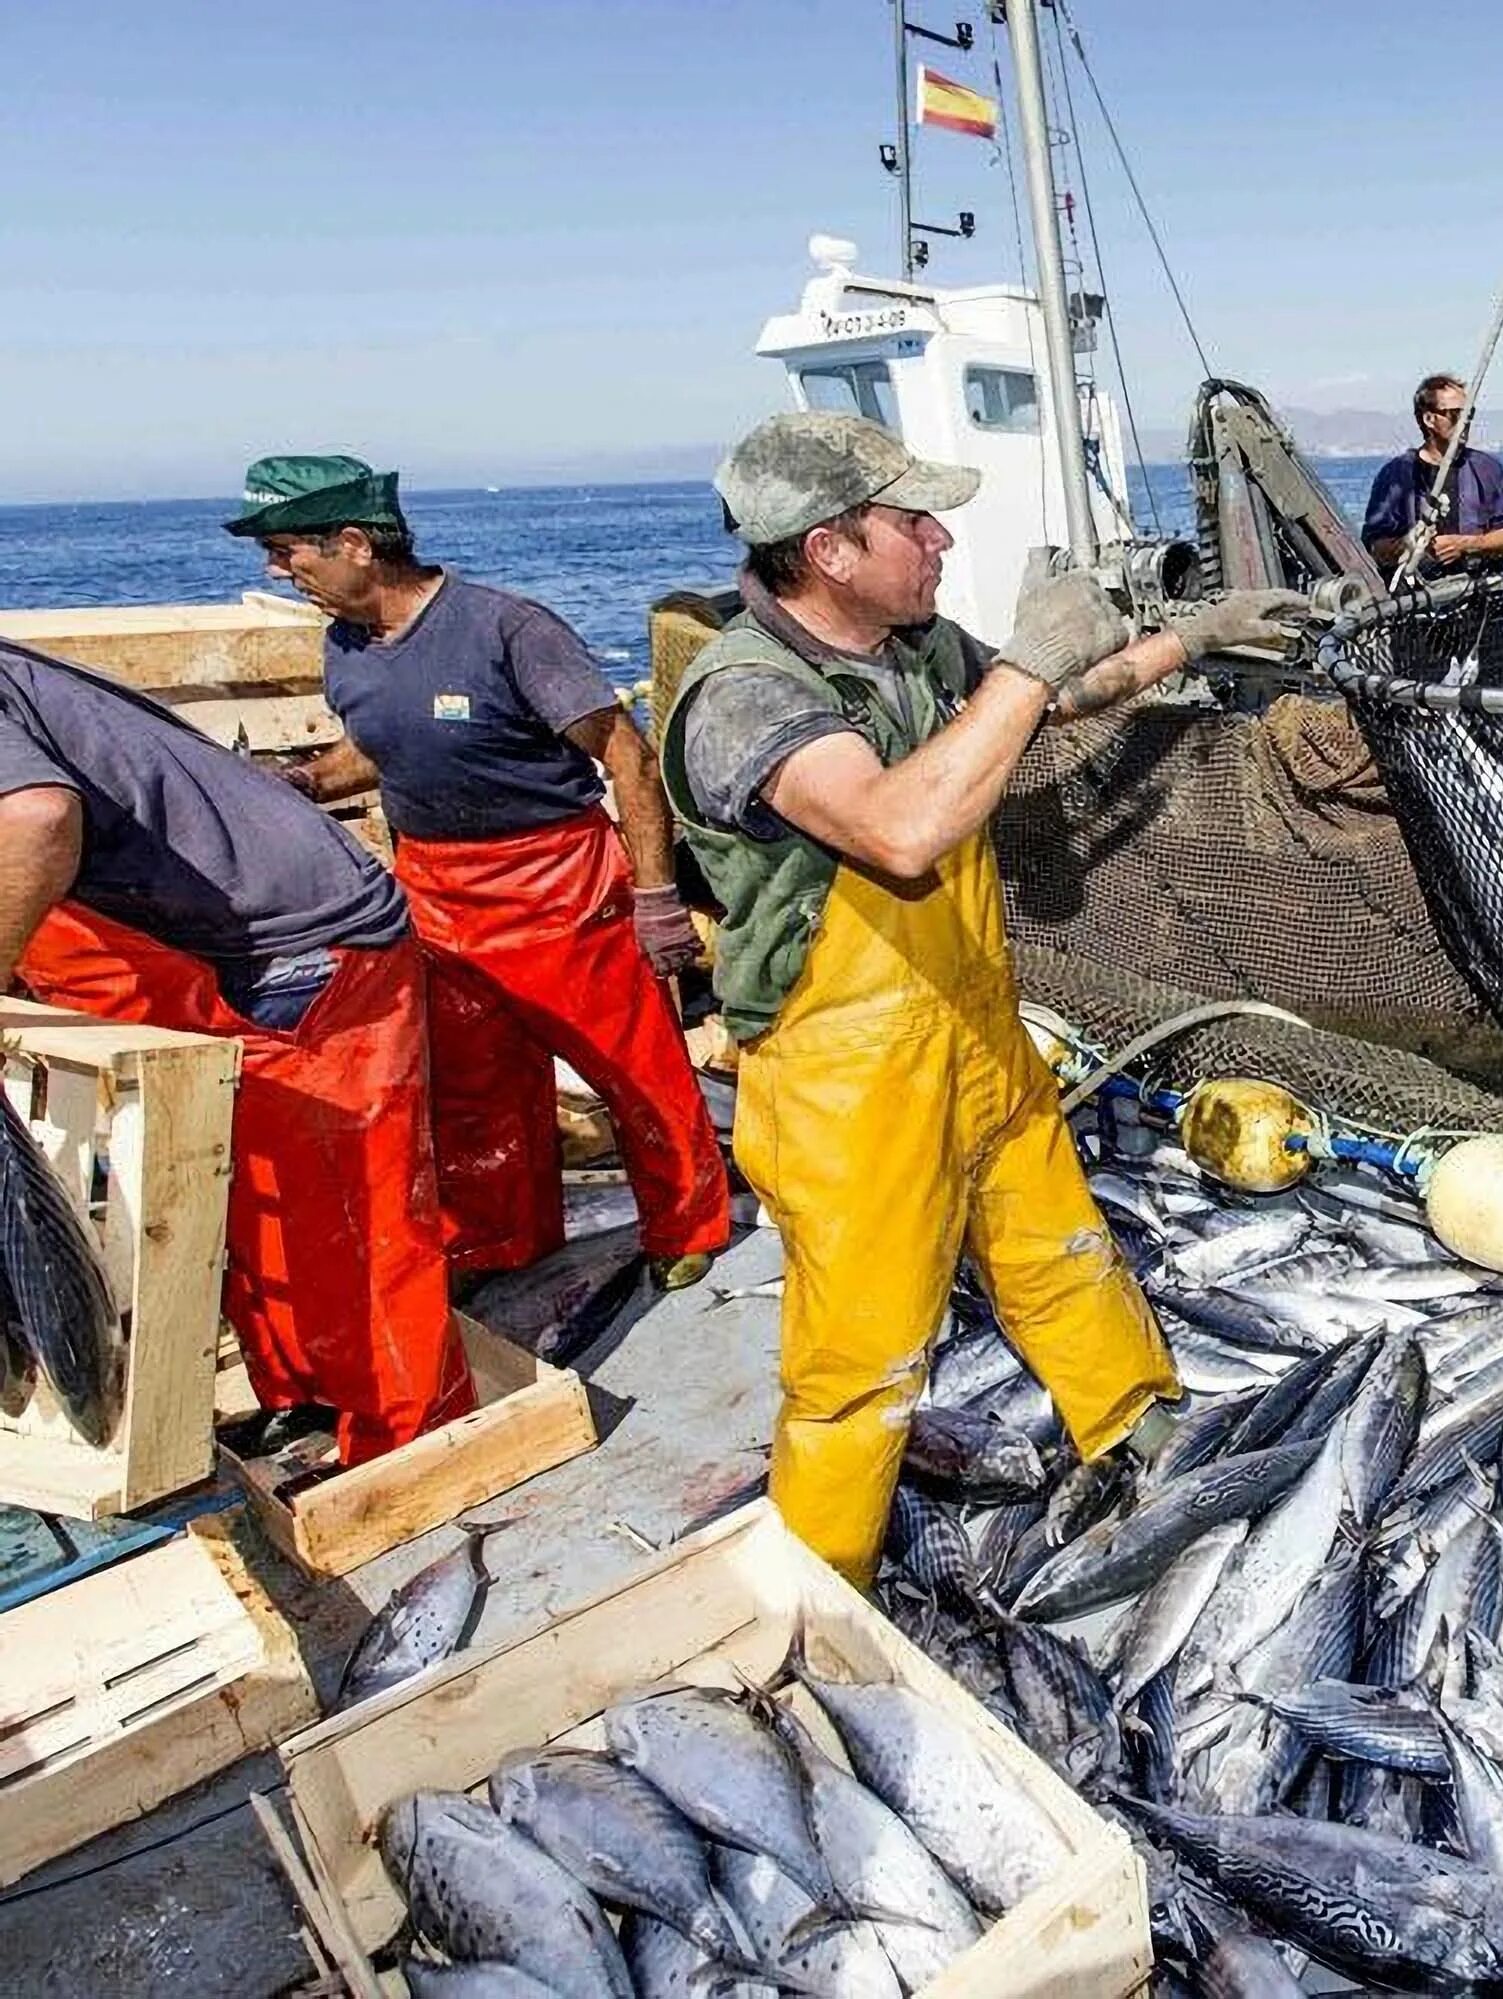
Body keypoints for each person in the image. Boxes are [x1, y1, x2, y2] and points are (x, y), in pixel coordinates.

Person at [658, 410, 1316, 1584]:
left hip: (969, 1024)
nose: (939, 539)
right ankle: (823, 1587)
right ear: (829, 551)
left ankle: (1135, 1425)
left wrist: (1194, 641)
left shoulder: (909, 648)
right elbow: (901, 830)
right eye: (911, 520)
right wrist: (1023, 660)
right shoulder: (746, 697)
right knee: (861, 1356)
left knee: (1058, 1240)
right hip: (844, 1075)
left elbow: (1049, 707)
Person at [229, 455, 729, 1291]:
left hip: (556, 884)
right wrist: (311, 779)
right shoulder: (348, 647)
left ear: (352, 543)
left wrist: (655, 897)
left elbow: (628, 756)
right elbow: (380, 743)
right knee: (472, 1088)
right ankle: (504, 1239)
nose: (277, 571)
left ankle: (686, 1225)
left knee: (633, 1071)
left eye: (287, 552)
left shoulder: (507, 630)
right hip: (434, 891)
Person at [0, 638, 475, 1464]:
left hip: (302, 946)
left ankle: (412, 1443)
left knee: (353, 1221)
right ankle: (310, 1401)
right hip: (213, 942)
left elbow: (39, 820)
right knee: (254, 1205)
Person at [1361, 373, 1503, 580]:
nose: (1465, 422)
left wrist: (1465, 545)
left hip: (1481, 598)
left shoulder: (1489, 469)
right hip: (1419, 602)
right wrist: (1410, 546)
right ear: (1429, 419)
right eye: (1456, 414)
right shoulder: (1395, 475)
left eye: (1469, 413)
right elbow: (1376, 547)